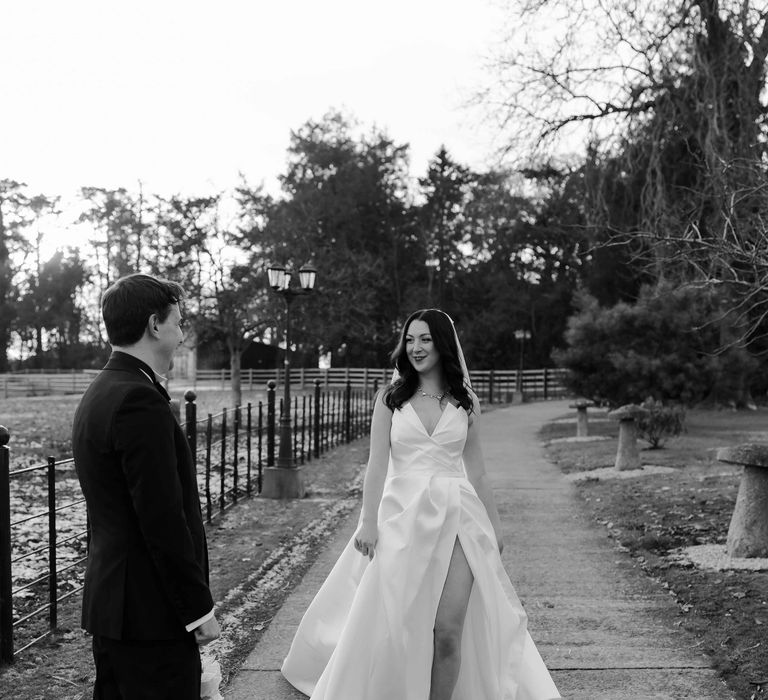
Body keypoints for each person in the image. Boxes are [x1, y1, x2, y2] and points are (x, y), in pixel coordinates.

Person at [281, 308, 560, 699]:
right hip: (402, 517)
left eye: (425, 339)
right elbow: (376, 465)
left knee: (448, 630)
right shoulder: (391, 400)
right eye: (410, 339)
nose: (416, 347)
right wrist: (368, 522)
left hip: (460, 517)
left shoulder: (466, 402)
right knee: (399, 627)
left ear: (443, 343)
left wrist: (495, 527)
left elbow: (477, 472)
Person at [72, 273, 220, 699]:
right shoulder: (138, 401)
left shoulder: (100, 391)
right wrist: (197, 611)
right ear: (155, 325)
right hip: (151, 615)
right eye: (178, 322)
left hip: (116, 608)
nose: (181, 333)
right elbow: (162, 519)